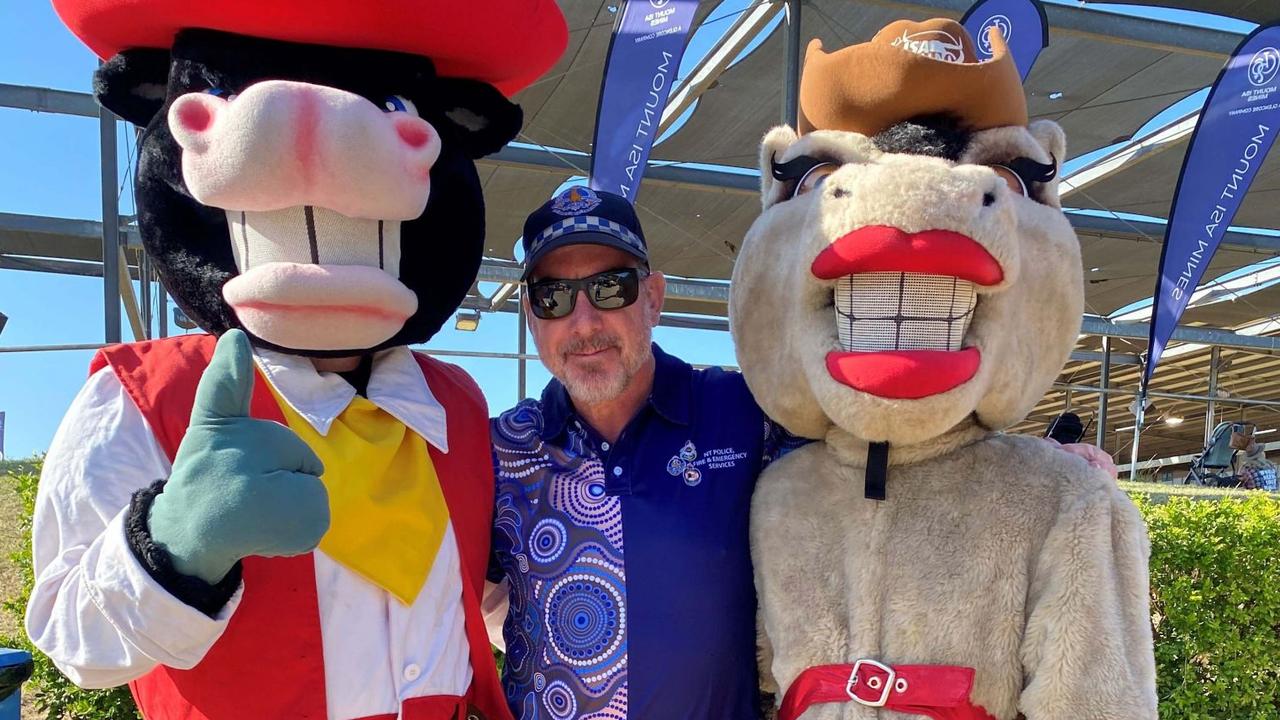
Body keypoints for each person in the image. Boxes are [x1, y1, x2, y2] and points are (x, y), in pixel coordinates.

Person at [484, 185, 1117, 720]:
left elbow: (891, 452)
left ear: (653, 296)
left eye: (611, 288)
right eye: (554, 298)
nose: (585, 321)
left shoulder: (743, 412)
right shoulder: (500, 451)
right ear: (532, 318)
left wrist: (1034, 467)